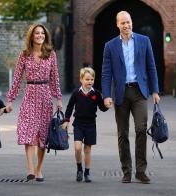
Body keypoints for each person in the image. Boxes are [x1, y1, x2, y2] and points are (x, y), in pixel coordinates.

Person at [101, 11, 160, 184]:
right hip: (121, 93)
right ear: (117, 25)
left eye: (128, 22)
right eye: (123, 23)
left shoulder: (144, 41)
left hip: (140, 92)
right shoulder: (110, 46)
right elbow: (106, 73)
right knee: (122, 133)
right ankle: (126, 171)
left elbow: (151, 67)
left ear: (131, 22)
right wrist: (106, 95)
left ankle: (141, 171)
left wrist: (155, 91)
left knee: (141, 130)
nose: (126, 26)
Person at [6, 24, 62, 182]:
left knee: (43, 135)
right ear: (32, 36)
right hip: (29, 95)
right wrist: (10, 100)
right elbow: (17, 78)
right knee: (28, 132)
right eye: (37, 33)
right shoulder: (24, 54)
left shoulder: (51, 54)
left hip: (45, 96)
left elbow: (55, 78)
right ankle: (30, 169)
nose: (40, 36)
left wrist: (58, 98)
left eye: (42, 33)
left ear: (45, 36)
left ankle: (38, 169)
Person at [62, 67, 108, 183]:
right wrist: (66, 120)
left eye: (92, 79)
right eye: (87, 79)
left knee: (87, 149)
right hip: (78, 124)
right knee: (78, 148)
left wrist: (107, 106)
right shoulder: (76, 93)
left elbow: (102, 108)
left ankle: (87, 173)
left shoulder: (96, 93)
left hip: (91, 125)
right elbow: (69, 107)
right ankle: (79, 169)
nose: (90, 81)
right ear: (81, 80)